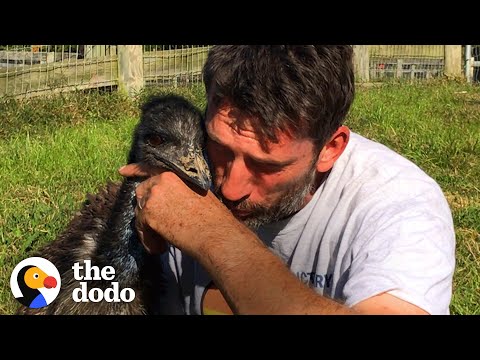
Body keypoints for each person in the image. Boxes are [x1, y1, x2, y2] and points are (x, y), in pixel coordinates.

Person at [119, 45, 456, 315]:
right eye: (220, 146)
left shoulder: (400, 204)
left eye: (266, 166)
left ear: (330, 149)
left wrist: (210, 232)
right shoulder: (180, 165)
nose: (230, 187)